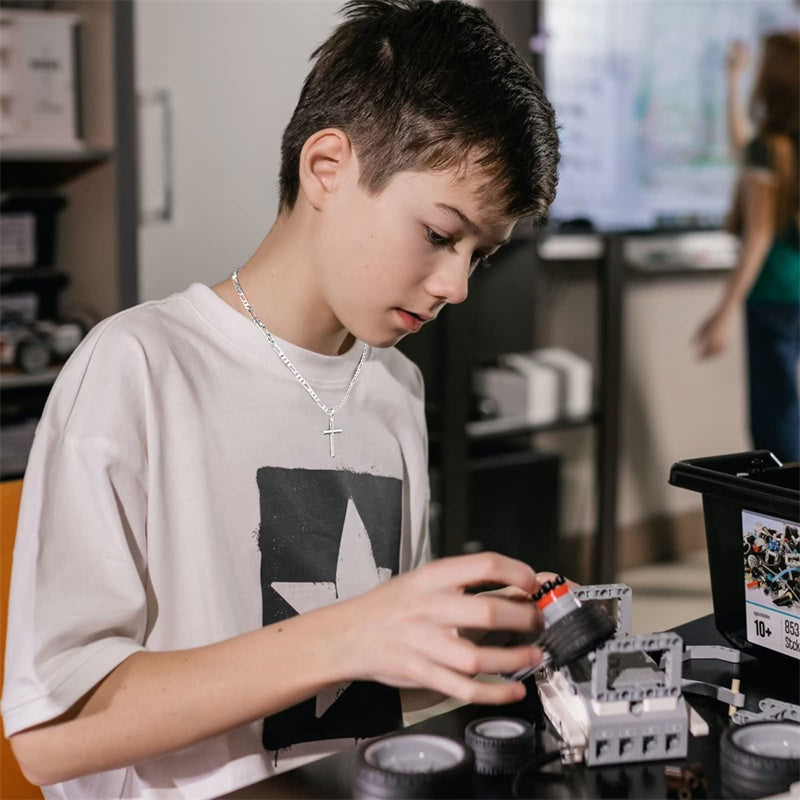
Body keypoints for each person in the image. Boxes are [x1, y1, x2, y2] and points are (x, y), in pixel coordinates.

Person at [2, 1, 561, 797]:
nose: (456, 286)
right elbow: (50, 736)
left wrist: (472, 650)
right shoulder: (138, 368)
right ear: (326, 167)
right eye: (440, 234)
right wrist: (349, 635)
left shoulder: (396, 390)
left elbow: (360, 693)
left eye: (482, 254)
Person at [695, 32, 800, 464]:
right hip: (794, 292)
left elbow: (757, 239)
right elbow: (744, 147)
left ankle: (789, 519)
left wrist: (721, 314)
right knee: (786, 409)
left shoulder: (770, 149)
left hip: (772, 295)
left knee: (775, 421)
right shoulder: (784, 147)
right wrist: (731, 81)